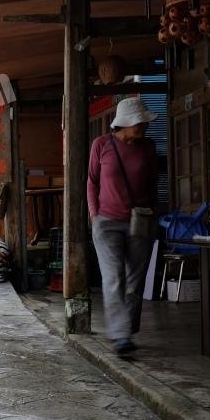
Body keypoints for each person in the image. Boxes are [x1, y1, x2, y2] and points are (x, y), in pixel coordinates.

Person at [87, 97, 159, 355]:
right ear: (126, 123)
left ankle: (126, 330)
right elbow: (92, 182)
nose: (144, 127)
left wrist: (153, 213)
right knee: (114, 278)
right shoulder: (101, 145)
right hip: (106, 222)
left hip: (140, 220)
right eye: (140, 122)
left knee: (134, 281)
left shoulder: (148, 147)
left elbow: (152, 183)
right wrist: (94, 214)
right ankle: (120, 335)